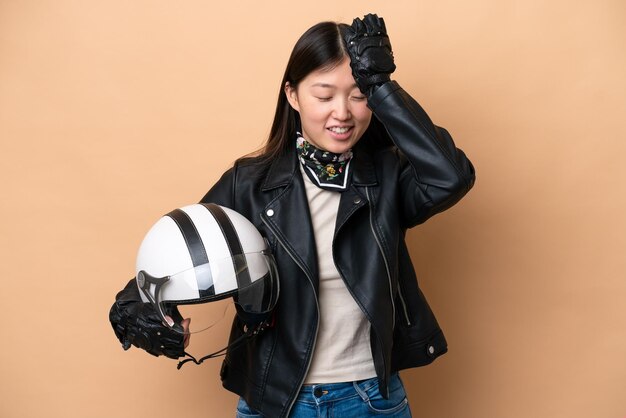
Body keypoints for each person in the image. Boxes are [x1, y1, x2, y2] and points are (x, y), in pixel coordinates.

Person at [196, 13, 475, 418]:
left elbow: (450, 176)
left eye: (359, 95)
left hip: (370, 400)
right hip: (275, 402)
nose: (342, 113)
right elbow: (185, 247)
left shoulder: (388, 176)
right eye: (324, 96)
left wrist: (383, 87)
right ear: (292, 95)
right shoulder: (248, 183)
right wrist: (141, 303)